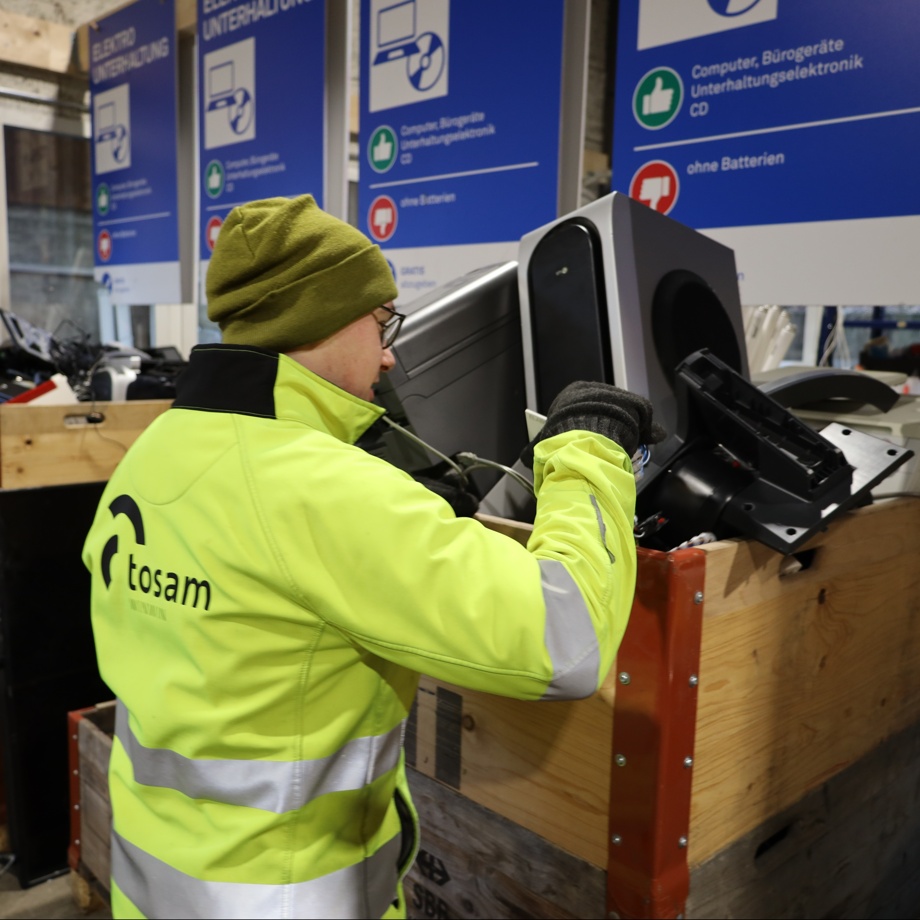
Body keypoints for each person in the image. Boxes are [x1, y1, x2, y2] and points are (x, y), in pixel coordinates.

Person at [82, 194, 664, 920]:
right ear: (322, 318)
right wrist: (588, 451)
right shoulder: (321, 491)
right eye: (381, 319)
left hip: (156, 883)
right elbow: (563, 639)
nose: (389, 351)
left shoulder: (157, 456)